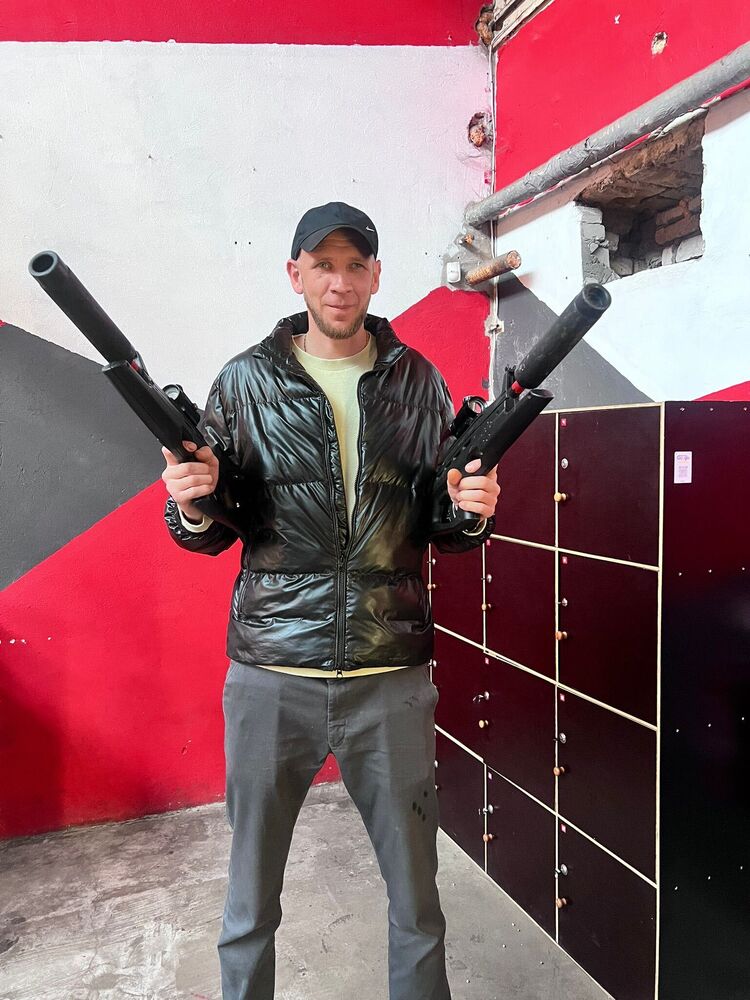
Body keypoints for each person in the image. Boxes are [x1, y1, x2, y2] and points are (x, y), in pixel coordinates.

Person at [161, 202, 500, 1000]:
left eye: (355, 266)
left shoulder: (419, 381)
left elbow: (439, 523)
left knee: (417, 904)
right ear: (296, 275)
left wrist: (472, 512)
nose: (339, 283)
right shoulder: (244, 381)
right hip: (272, 675)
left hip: (389, 673)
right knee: (249, 904)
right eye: (323, 265)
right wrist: (189, 502)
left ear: (376, 276)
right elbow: (208, 529)